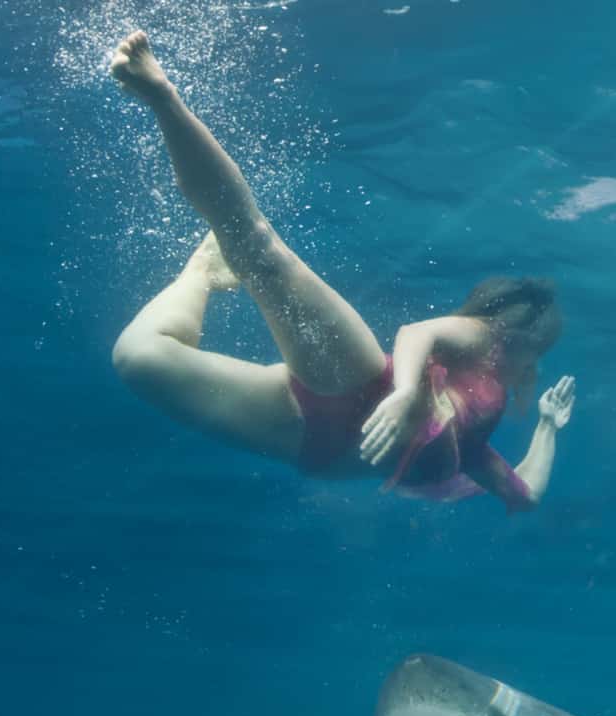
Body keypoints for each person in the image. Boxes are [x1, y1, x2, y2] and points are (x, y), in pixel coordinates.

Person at [107, 31, 576, 513]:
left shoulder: (474, 443)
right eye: (538, 348)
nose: (533, 367)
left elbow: (526, 496)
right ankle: (162, 96)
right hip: (354, 385)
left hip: (309, 441)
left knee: (138, 358)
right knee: (254, 244)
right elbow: (418, 333)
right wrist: (406, 394)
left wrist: (546, 426)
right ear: (528, 338)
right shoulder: (487, 340)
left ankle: (202, 271)